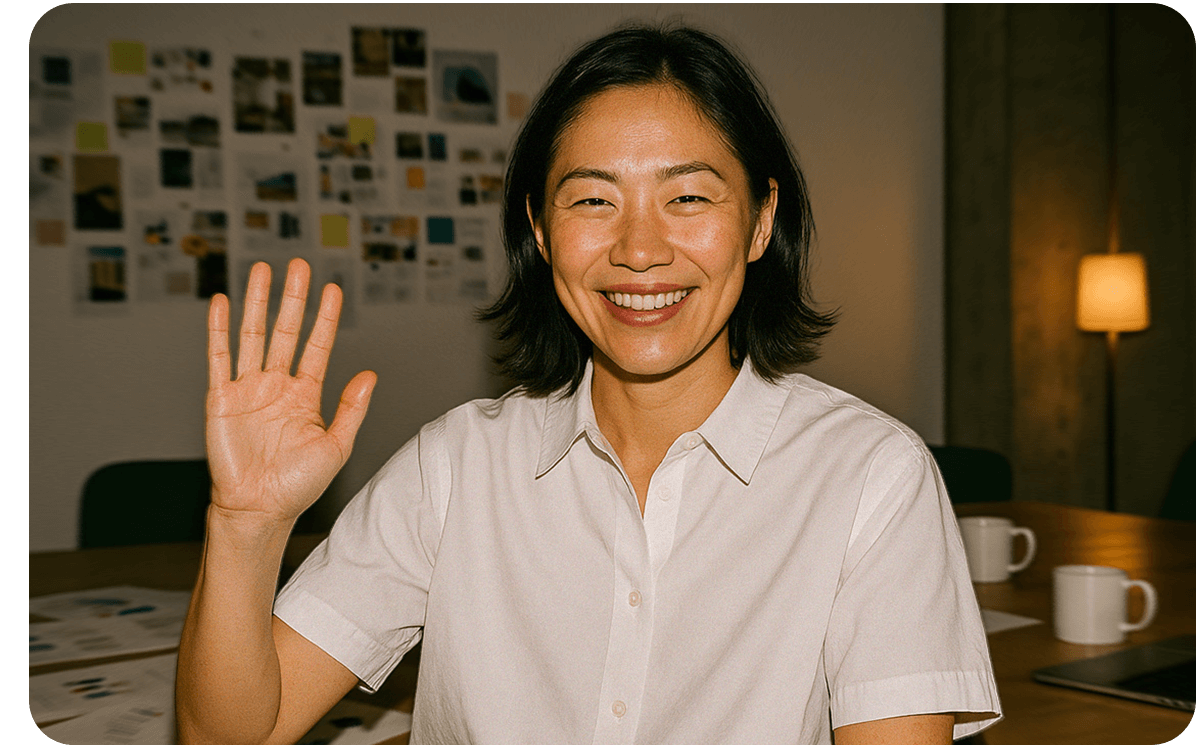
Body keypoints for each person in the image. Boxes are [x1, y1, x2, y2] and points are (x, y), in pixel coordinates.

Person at [176, 23, 1002, 744]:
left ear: (759, 221)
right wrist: (245, 525)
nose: (640, 249)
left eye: (687, 196)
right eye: (593, 200)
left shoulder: (869, 478)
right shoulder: (455, 468)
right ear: (539, 231)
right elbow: (232, 733)